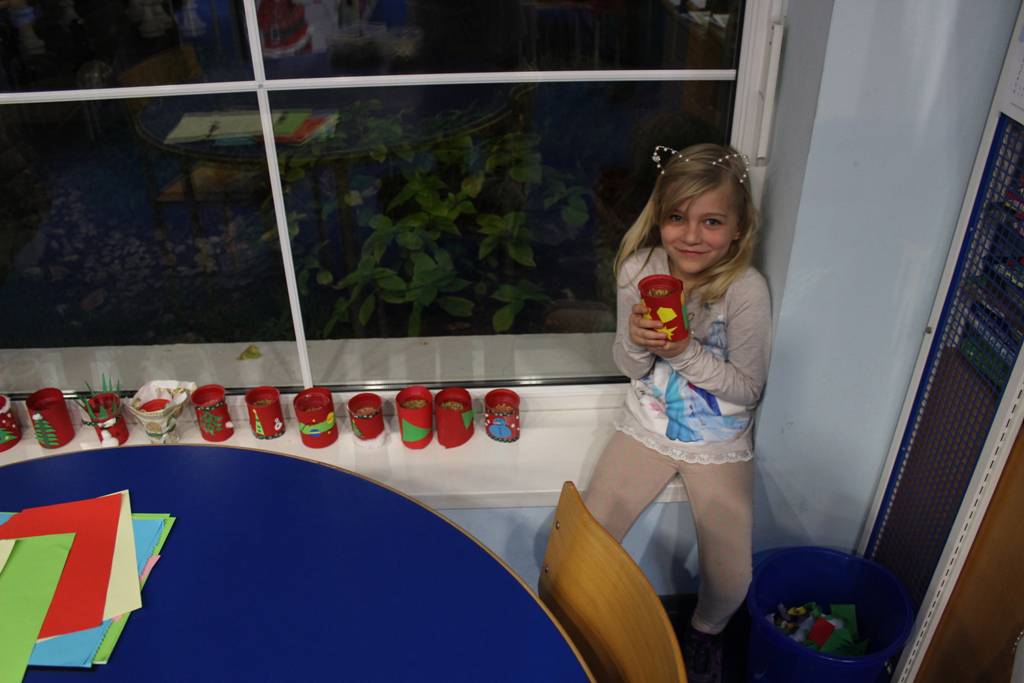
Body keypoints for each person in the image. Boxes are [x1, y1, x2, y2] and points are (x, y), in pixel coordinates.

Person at [584, 142, 771, 683]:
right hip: (646, 426)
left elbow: (747, 389)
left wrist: (684, 350)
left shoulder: (744, 289)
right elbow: (630, 367)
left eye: (711, 221)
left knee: (731, 577)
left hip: (718, 443)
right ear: (659, 218)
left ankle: (704, 634)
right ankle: (583, 632)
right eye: (676, 218)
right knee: (587, 541)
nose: (691, 236)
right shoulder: (639, 269)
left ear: (737, 228)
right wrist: (637, 340)